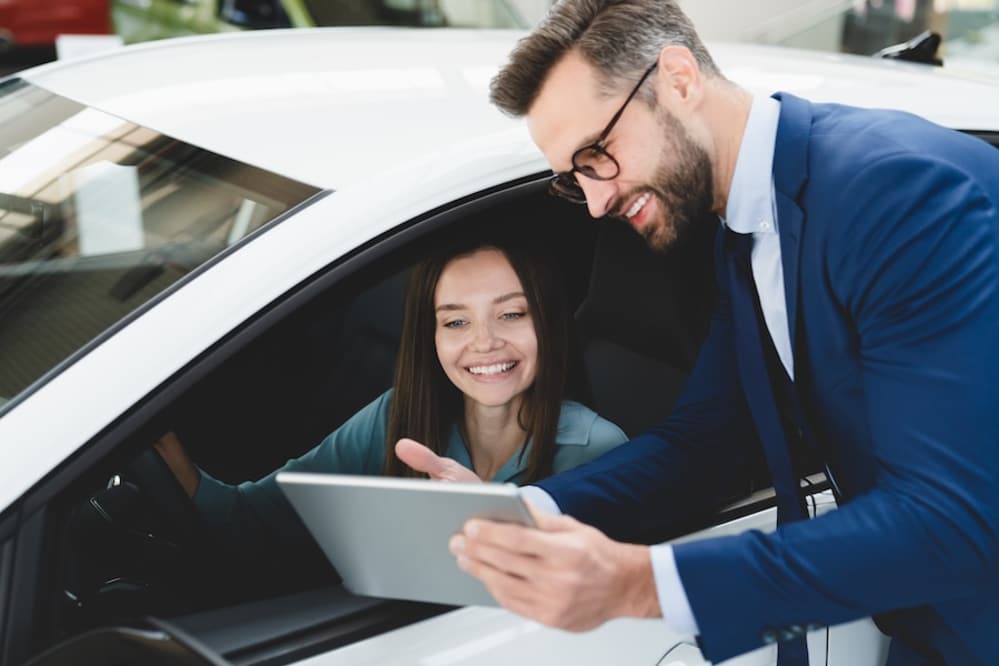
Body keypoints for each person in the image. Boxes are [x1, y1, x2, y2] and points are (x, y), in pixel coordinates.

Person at [400, 2, 999, 665]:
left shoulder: (898, 192)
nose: (595, 202)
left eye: (595, 155)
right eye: (573, 178)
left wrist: (637, 585)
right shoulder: (744, 226)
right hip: (928, 626)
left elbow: (952, 521)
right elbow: (712, 440)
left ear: (678, 80)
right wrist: (521, 510)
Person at [154, 236, 628, 552]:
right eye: (456, 322)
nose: (484, 342)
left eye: (512, 314)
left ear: (547, 322)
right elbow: (252, 519)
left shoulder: (599, 450)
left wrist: (497, 521)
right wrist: (158, 445)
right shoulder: (397, 416)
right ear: (432, 336)